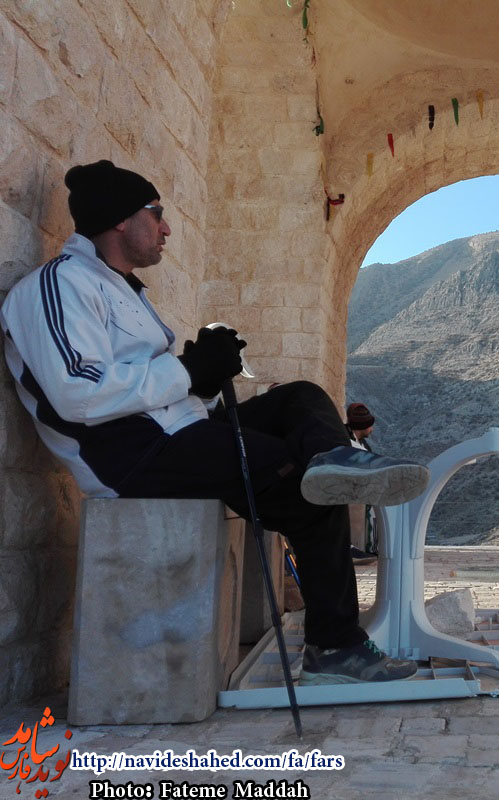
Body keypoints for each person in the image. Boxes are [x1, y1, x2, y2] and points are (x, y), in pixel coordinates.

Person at [0, 160, 431, 685]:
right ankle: (335, 647)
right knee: (298, 480)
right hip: (131, 455)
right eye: (156, 213)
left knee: (300, 398)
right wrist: (188, 369)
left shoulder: (124, 289)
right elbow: (79, 393)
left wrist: (204, 372)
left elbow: (159, 388)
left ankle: (335, 458)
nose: (166, 228)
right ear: (119, 219)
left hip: (178, 430)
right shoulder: (57, 285)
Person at [344, 402, 379, 564]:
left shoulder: (362, 443)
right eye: (370, 426)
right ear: (363, 425)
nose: (372, 429)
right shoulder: (347, 441)